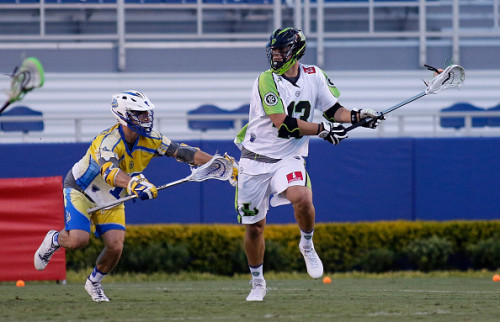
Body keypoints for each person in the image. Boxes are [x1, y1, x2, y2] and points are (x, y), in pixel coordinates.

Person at [34, 90, 237, 302]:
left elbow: (182, 152)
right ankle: (55, 239)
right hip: (82, 189)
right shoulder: (108, 141)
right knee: (78, 240)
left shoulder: (152, 138)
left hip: (112, 197)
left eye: (146, 113)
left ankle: (93, 283)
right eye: (139, 113)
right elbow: (109, 171)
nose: (145, 118)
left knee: (115, 246)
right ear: (124, 115)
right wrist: (133, 183)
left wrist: (218, 163)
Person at [234, 28, 383, 301]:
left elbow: (333, 111)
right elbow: (283, 123)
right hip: (255, 159)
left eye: (281, 51)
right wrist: (323, 130)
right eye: (274, 51)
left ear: (296, 52)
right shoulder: (266, 80)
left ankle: (307, 243)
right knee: (254, 228)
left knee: (301, 197)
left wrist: (359, 116)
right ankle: (258, 283)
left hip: (288, 158)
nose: (276, 55)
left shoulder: (314, 75)